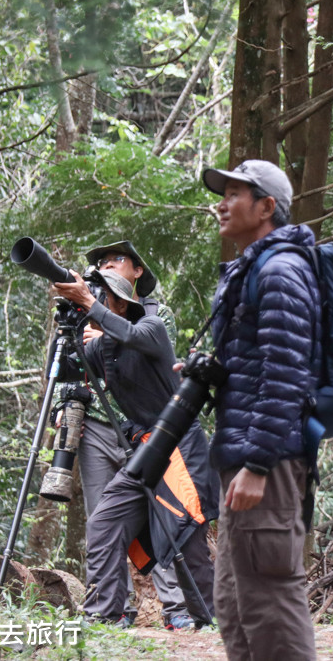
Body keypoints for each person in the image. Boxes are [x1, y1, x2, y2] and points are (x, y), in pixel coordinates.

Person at [51, 269, 219, 630]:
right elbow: (66, 368)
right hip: (144, 448)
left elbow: (128, 333)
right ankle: (103, 616)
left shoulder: (151, 327)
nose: (99, 298)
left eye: (105, 295)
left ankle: (216, 622)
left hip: (179, 445)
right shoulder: (102, 347)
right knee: (104, 522)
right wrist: (67, 325)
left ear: (123, 302)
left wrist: (88, 303)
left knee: (185, 535)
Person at [202, 159, 320, 660]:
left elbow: (287, 376)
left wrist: (256, 464)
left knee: (271, 604)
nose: (221, 204)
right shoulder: (254, 269)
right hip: (245, 459)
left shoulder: (281, 270)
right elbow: (258, 365)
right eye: (221, 193)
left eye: (235, 194)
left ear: (267, 207)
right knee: (234, 605)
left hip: (265, 466)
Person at [74, 241, 194, 630]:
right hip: (94, 424)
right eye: (101, 263)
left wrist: (104, 330)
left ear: (138, 270)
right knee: (104, 517)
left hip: (144, 430)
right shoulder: (85, 316)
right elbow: (68, 370)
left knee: (162, 512)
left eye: (115, 260)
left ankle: (176, 607)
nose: (106, 265)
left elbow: (148, 348)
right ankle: (114, 608)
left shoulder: (157, 316)